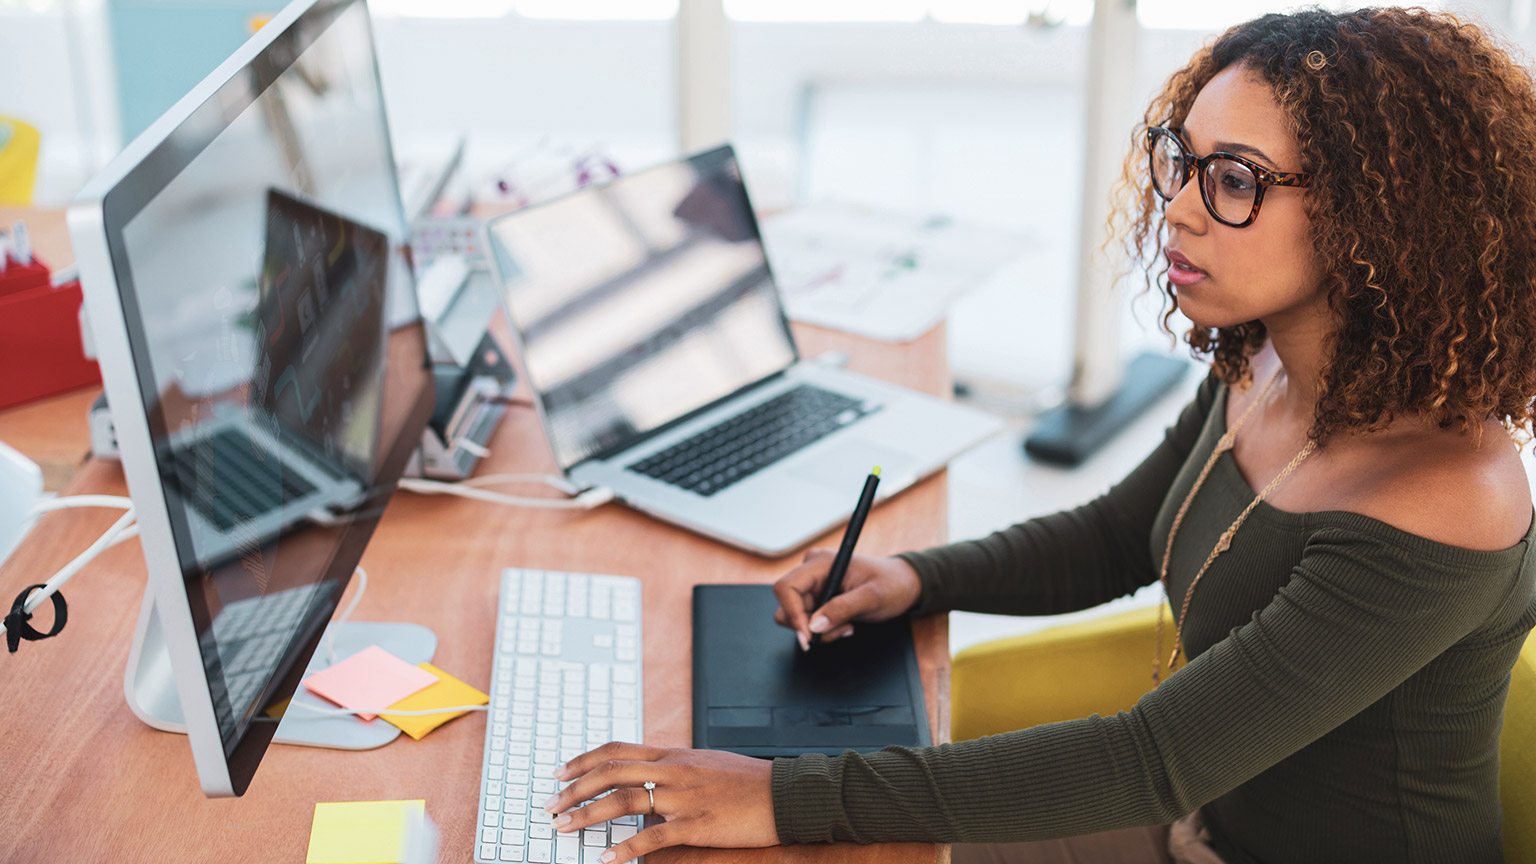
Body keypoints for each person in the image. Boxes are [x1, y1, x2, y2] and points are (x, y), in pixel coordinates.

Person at [539, 8, 1536, 863]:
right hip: (1198, 822)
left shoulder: (1447, 499)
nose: (1179, 210)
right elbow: (1120, 532)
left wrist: (777, 797)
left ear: (1381, 214)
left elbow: (1148, 761)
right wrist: (919, 578)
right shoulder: (1266, 359)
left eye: (1235, 179)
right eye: (1184, 163)